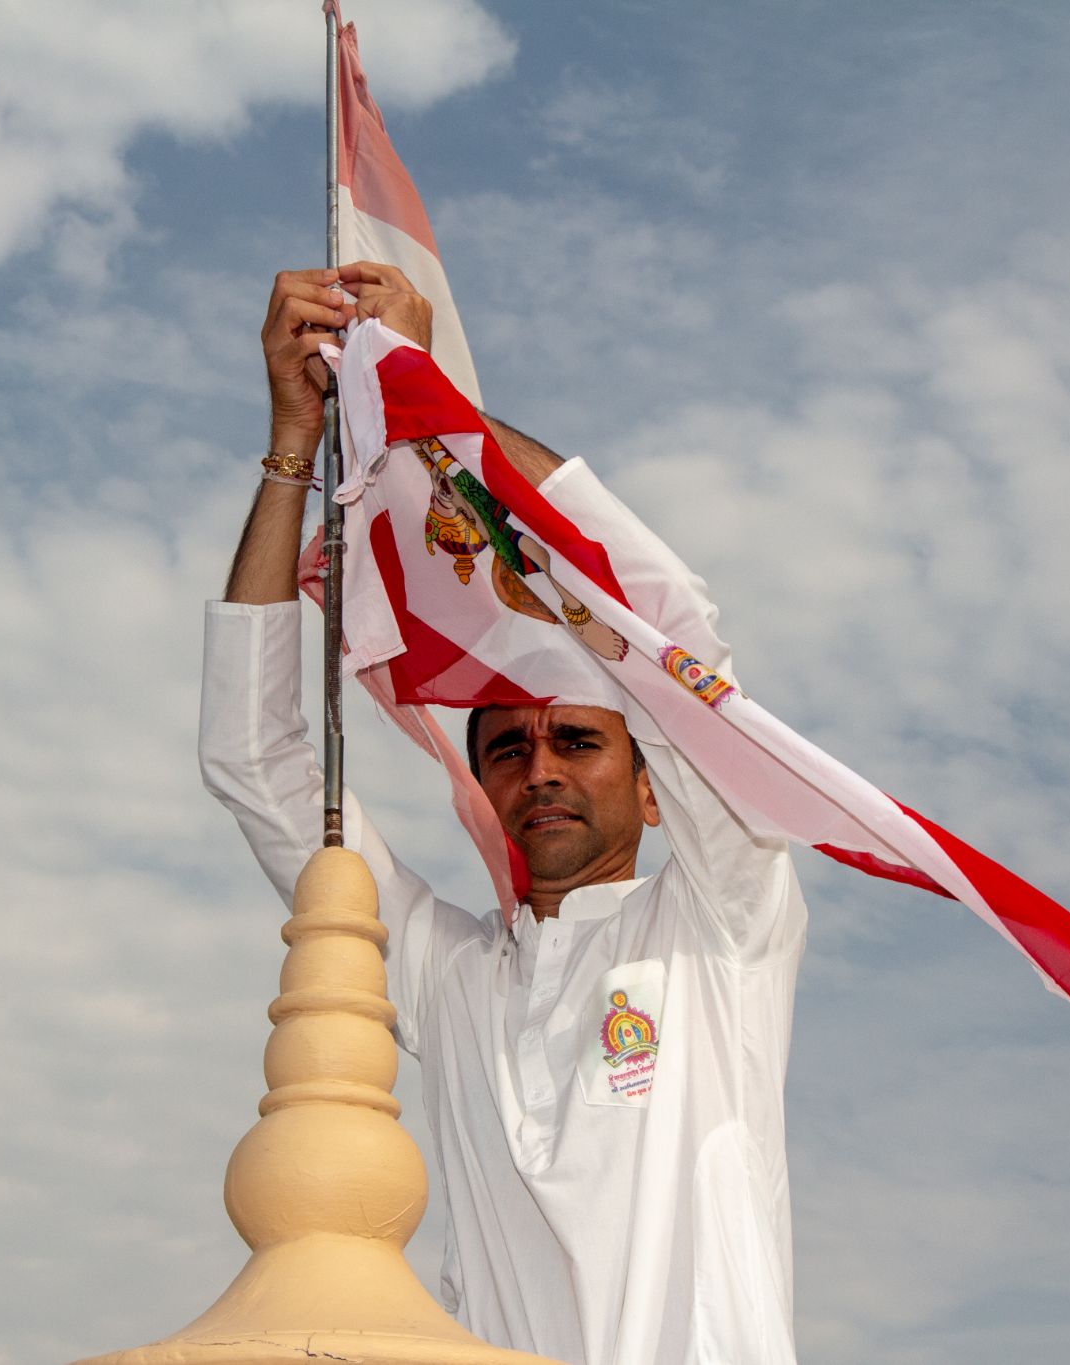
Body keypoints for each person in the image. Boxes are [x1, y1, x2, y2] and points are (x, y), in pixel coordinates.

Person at [198, 264, 809, 1365]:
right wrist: (292, 444)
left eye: (577, 740)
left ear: (654, 778)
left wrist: (436, 408)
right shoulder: (452, 978)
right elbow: (255, 760)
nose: (539, 770)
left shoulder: (723, 921)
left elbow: (674, 626)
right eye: (507, 750)